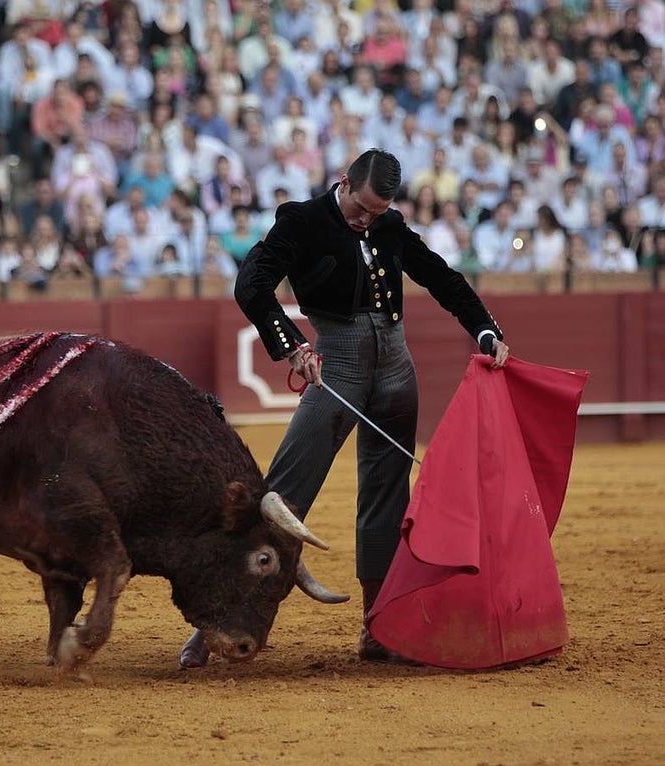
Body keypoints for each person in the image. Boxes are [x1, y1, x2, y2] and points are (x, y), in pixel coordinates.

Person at [178, 149, 509, 668]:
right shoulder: (302, 220)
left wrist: (485, 327)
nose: (368, 220)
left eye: (378, 213)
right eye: (362, 209)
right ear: (344, 183)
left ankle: (379, 629)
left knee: (386, 497)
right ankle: (216, 619)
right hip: (341, 369)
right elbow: (252, 284)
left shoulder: (390, 225)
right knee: (283, 496)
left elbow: (441, 278)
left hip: (397, 372)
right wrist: (293, 344)